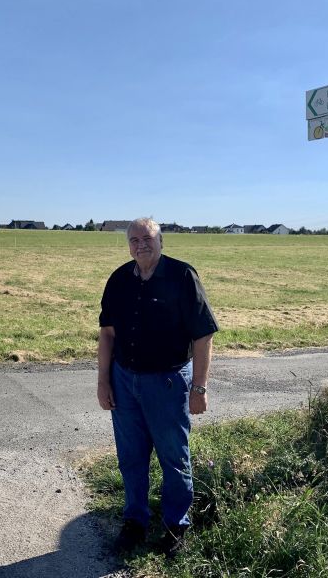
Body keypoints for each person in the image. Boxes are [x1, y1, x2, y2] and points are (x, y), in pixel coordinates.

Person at [97, 217, 219, 557]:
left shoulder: (182, 277)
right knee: (131, 457)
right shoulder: (120, 279)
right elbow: (107, 334)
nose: (140, 245)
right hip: (124, 381)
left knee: (173, 458)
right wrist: (103, 381)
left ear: (161, 241)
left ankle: (176, 525)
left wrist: (199, 388)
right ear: (128, 245)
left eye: (147, 238)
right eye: (134, 240)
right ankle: (135, 521)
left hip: (168, 383)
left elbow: (203, 334)